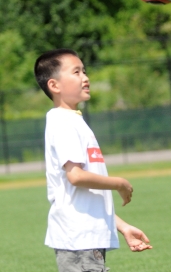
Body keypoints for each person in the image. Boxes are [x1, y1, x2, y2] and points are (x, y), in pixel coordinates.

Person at [34, 48, 152, 272]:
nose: (85, 78)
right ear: (54, 85)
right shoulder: (62, 121)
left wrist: (122, 226)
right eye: (76, 72)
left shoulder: (74, 120)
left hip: (86, 239)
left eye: (84, 71)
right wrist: (120, 183)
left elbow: (86, 197)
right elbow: (76, 177)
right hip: (78, 239)